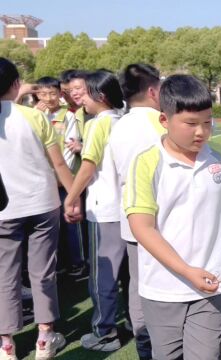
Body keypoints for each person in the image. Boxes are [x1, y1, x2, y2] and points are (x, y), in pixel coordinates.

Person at [124, 74, 221, 360]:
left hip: (215, 282)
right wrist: (186, 270)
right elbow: (142, 228)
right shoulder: (147, 162)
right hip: (163, 288)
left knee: (205, 355)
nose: (201, 131)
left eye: (207, 121)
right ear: (164, 120)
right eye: (190, 124)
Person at [0, 57, 80, 360]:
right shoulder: (34, 117)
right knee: (42, 272)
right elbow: (59, 163)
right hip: (42, 204)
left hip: (5, 211)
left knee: (5, 275)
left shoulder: (28, 112)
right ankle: (44, 338)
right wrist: (73, 197)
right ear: (16, 85)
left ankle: (6, 343)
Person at [63, 70, 126, 352]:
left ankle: (104, 331)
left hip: (104, 209)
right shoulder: (123, 120)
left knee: (102, 275)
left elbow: (88, 166)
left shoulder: (98, 124)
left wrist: (72, 196)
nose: (80, 98)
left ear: (100, 96)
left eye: (84, 92)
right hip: (126, 208)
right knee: (127, 274)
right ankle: (134, 325)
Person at [108, 63, 165, 359]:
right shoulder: (164, 122)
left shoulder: (118, 126)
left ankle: (146, 347)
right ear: (154, 90)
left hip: (132, 223)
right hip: (165, 223)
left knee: (138, 289)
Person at [35, 76, 87, 277]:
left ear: (60, 94)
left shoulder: (68, 116)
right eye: (43, 94)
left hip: (66, 180)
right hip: (45, 180)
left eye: (52, 93)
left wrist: (60, 175)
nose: (48, 98)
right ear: (37, 94)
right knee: (52, 226)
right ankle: (61, 263)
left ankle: (79, 263)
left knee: (72, 224)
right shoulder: (33, 115)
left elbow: (67, 150)